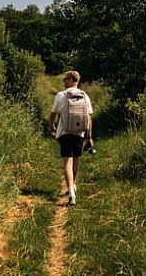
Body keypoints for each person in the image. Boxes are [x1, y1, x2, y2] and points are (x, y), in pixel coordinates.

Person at [50, 70, 94, 206]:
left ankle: (71, 192)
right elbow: (88, 117)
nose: (64, 81)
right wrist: (89, 136)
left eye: (65, 79)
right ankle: (73, 185)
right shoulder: (84, 96)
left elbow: (53, 114)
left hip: (64, 132)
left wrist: (52, 126)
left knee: (67, 162)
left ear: (71, 80)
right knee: (76, 160)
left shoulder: (61, 96)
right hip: (79, 133)